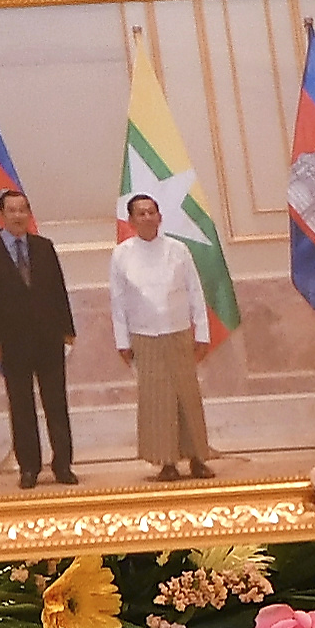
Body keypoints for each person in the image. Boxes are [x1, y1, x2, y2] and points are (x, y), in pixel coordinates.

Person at [0, 188, 77, 486]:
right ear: (1, 216)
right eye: (12, 210)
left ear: (29, 214)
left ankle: (63, 464)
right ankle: (29, 467)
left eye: (23, 210)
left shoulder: (44, 246)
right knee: (21, 404)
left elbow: (58, 289)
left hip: (48, 337)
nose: (18, 215)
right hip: (12, 340)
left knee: (56, 402)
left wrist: (67, 329)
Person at [109, 193, 215, 481]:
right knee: (157, 401)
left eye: (151, 212)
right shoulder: (121, 254)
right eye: (140, 214)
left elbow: (195, 292)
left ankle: (197, 459)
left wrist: (202, 332)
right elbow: (118, 302)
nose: (147, 218)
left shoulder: (178, 249)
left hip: (178, 332)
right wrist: (123, 342)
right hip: (144, 336)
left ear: (160, 216)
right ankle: (166, 462)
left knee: (187, 397)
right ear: (131, 221)